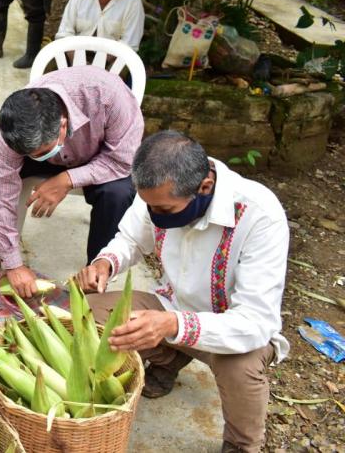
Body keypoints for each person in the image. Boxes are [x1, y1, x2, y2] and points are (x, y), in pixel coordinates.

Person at [78, 131, 289, 453]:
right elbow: (132, 239)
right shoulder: (157, 189)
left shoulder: (260, 215)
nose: (154, 215)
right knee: (89, 313)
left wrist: (174, 325)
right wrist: (106, 263)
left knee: (240, 368)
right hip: (170, 304)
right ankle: (169, 358)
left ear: (204, 186)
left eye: (164, 209)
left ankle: (242, 445)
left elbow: (256, 322)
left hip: (233, 330)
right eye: (150, 206)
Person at [0, 65, 143, 296]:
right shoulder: (13, 126)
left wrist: (67, 179)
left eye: (40, 151)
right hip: (48, 145)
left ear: (63, 125)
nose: (34, 156)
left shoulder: (111, 97)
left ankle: (94, 275)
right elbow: (2, 194)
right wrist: (14, 263)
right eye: (28, 153)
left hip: (100, 157)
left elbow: (122, 161)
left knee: (118, 193)